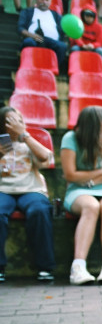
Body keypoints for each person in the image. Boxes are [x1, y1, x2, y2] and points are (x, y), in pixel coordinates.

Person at [60, 106, 102, 285]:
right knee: (91, 207)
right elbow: (70, 175)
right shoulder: (70, 138)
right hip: (78, 190)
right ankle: (78, 267)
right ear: (95, 124)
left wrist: (91, 180)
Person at [0, 106, 56, 283]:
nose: (16, 125)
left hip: (31, 190)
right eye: (11, 121)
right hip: (4, 191)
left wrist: (24, 135)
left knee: (39, 211)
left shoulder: (28, 143)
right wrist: (6, 143)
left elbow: (46, 157)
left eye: (19, 121)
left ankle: (45, 267)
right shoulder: (3, 143)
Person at [18, 0, 66, 65]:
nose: (44, 2)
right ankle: (29, 66)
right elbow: (20, 28)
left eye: (47, 0)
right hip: (33, 38)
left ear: (50, 2)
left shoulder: (56, 15)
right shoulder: (27, 12)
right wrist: (32, 36)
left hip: (52, 41)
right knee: (28, 42)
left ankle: (53, 69)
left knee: (62, 46)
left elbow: (64, 31)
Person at [69, 8, 102, 78]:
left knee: (101, 51)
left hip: (93, 47)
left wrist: (92, 45)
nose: (88, 18)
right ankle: (73, 71)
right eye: (86, 16)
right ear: (83, 16)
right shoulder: (79, 25)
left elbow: (100, 42)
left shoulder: (99, 27)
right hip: (82, 46)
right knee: (74, 49)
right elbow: (77, 37)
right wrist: (82, 45)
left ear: (94, 17)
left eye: (90, 16)